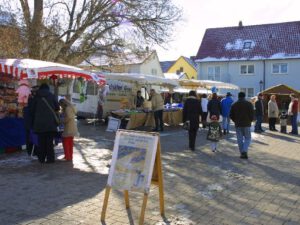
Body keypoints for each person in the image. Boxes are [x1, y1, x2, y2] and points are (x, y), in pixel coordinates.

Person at [31, 83, 60, 163]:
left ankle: (41, 159)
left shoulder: (36, 97)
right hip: (50, 123)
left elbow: (32, 110)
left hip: (39, 124)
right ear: (47, 89)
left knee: (41, 142)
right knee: (49, 143)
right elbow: (57, 107)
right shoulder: (52, 95)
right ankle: (50, 159)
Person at [230, 92, 254, 159]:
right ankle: (244, 151)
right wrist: (250, 120)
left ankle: (242, 153)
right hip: (246, 123)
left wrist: (235, 121)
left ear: (238, 96)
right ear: (244, 96)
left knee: (239, 139)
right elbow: (252, 114)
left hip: (238, 124)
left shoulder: (234, 104)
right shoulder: (249, 104)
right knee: (248, 138)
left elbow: (231, 115)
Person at [23, 85, 39, 156]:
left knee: (30, 138)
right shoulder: (35, 101)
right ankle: (33, 152)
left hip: (28, 124)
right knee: (33, 138)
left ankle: (31, 152)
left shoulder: (29, 102)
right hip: (32, 124)